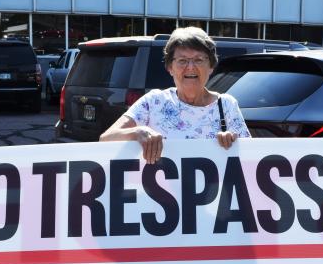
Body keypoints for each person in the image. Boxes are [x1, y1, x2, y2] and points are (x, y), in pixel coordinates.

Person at [100, 27, 249, 163]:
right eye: (182, 61)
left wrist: (233, 141)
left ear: (211, 66)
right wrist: (137, 132)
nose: (190, 67)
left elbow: (250, 156)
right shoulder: (153, 102)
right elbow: (106, 139)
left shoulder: (227, 105)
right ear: (170, 67)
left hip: (213, 191)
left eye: (198, 60)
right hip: (160, 191)